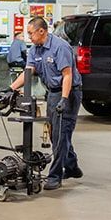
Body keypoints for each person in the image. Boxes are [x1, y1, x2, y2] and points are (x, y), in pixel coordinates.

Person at [9, 17, 82, 190]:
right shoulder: (35, 49)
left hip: (69, 92)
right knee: (55, 133)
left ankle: (55, 176)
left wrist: (64, 99)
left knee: (60, 134)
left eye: (30, 33)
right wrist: (10, 89)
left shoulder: (60, 47)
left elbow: (67, 75)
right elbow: (29, 71)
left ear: (41, 31)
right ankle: (71, 166)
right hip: (52, 93)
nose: (29, 37)